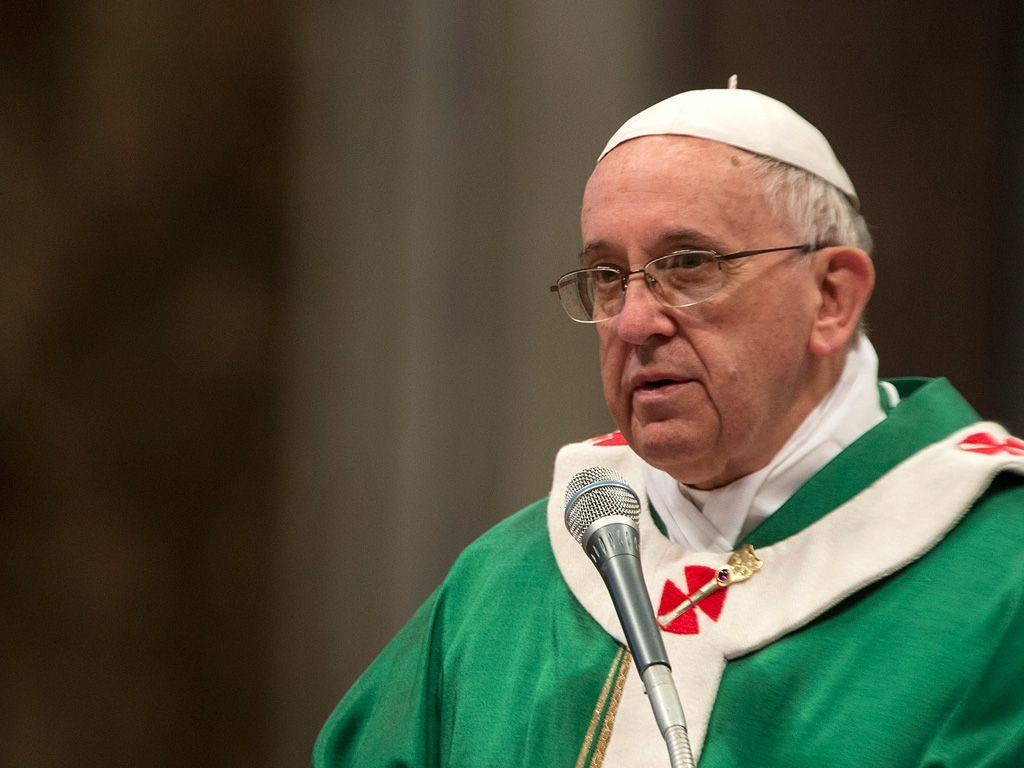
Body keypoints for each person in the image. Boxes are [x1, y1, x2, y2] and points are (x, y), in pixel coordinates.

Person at [313, 87, 1024, 767]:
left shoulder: (999, 581)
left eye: (688, 265)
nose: (633, 322)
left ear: (832, 298)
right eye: (606, 274)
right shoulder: (506, 587)